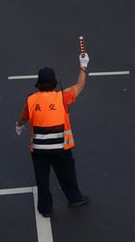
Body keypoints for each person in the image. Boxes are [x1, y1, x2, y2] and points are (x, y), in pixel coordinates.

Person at [15, 52, 90, 217]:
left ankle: (45, 208)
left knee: (42, 179)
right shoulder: (62, 97)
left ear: (39, 83)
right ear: (54, 82)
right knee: (67, 174)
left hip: (39, 149)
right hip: (61, 147)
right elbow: (80, 86)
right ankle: (74, 198)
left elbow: (23, 117)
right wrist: (83, 66)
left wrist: (19, 125)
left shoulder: (31, 99)